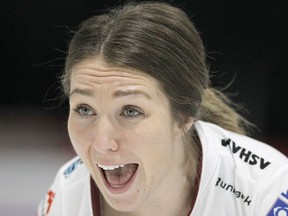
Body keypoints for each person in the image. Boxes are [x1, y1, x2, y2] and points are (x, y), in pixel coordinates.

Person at [37, 2, 288, 215]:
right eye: (84, 109)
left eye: (131, 111)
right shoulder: (67, 195)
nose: (102, 143)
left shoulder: (266, 191)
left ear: (184, 116)